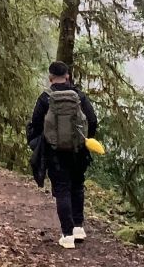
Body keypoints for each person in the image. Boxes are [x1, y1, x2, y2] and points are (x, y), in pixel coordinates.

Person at [26, 61, 98, 249]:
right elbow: (92, 120)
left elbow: (35, 125)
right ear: (68, 76)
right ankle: (78, 227)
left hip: (54, 153)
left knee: (62, 190)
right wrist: (84, 141)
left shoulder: (45, 98)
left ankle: (67, 236)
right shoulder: (79, 96)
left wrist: (39, 144)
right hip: (78, 152)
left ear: (50, 78)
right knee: (77, 186)